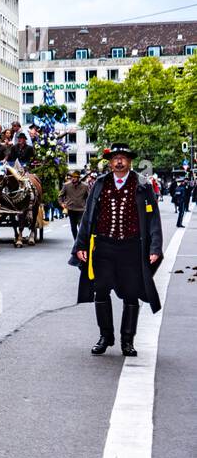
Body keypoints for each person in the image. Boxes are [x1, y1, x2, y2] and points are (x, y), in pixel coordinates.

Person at [71, 144, 163, 358]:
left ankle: (127, 341)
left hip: (131, 247)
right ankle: (105, 336)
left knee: (131, 293)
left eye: (123, 158)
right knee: (100, 290)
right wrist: (81, 245)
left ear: (129, 161)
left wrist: (155, 247)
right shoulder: (100, 184)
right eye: (115, 158)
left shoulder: (142, 184)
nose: (119, 161)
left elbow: (153, 219)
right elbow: (89, 216)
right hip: (103, 246)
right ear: (110, 162)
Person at [59, 171, 89, 240]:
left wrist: (87, 206)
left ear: (78, 178)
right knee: (73, 227)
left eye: (75, 177)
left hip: (81, 209)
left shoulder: (85, 186)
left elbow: (89, 197)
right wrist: (62, 204)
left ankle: (80, 242)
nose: (73, 179)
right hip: (71, 209)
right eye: (72, 177)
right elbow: (60, 196)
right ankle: (76, 240)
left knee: (81, 226)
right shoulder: (66, 185)